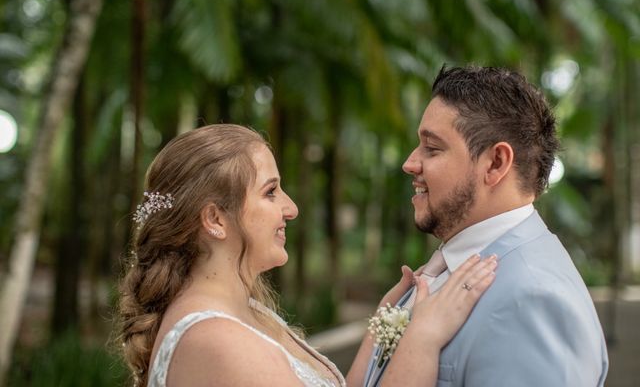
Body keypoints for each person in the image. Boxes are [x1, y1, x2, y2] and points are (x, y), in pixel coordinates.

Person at [117, 124, 498, 387]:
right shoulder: (216, 340)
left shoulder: (245, 314)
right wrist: (424, 338)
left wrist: (385, 321)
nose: (291, 208)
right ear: (215, 219)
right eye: (270, 192)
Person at [364, 66, 609, 386]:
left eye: (432, 148)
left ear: (495, 164)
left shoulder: (532, 301)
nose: (410, 163)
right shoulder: (449, 268)